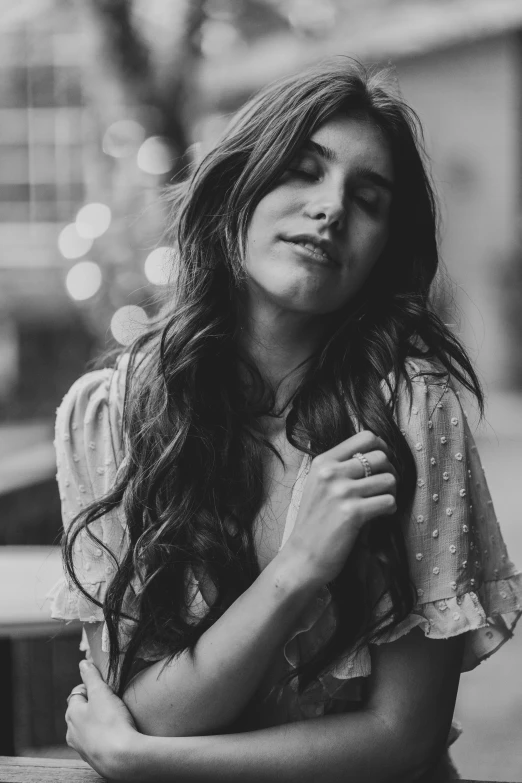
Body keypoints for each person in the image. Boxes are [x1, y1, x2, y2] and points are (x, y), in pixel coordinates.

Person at [50, 58, 522, 782]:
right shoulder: (113, 412)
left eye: (367, 198)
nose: (331, 207)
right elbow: (149, 708)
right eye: (303, 170)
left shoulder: (410, 410)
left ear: (381, 251)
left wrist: (145, 761)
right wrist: (296, 570)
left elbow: (404, 737)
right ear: (239, 184)